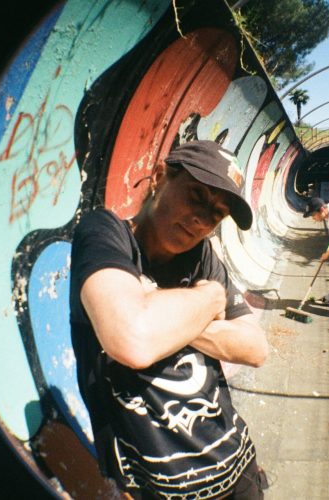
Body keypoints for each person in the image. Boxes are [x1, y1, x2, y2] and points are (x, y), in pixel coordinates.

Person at [70, 140, 270, 499]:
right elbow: (133, 340)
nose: (201, 219)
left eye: (216, 214)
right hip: (155, 488)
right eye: (196, 195)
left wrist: (176, 312)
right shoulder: (106, 234)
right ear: (160, 177)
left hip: (239, 470)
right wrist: (207, 299)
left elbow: (255, 348)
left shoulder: (202, 257)